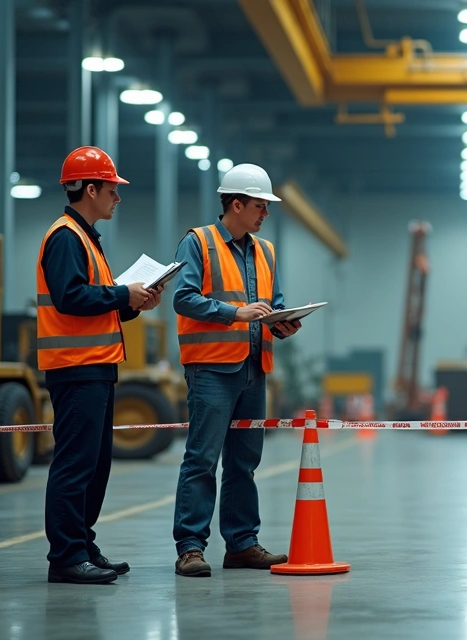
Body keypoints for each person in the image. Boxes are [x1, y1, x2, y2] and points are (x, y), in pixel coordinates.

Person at [171, 163, 301, 577]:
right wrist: (236, 312)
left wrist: (283, 322)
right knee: (202, 459)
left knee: (244, 462)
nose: (265, 214)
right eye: (260, 206)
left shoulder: (265, 251)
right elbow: (183, 298)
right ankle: (190, 547)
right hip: (211, 370)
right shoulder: (199, 242)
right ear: (237, 204)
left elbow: (272, 303)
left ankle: (242, 543)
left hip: (253, 369)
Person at [39, 146, 161, 584]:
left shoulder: (85, 239)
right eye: (112, 189)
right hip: (76, 368)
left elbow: (95, 303)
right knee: (75, 465)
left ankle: (83, 546)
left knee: (94, 465)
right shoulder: (66, 238)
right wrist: (121, 294)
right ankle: (66, 557)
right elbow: (70, 298)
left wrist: (133, 302)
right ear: (90, 189)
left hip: (96, 367)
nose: (117, 197)